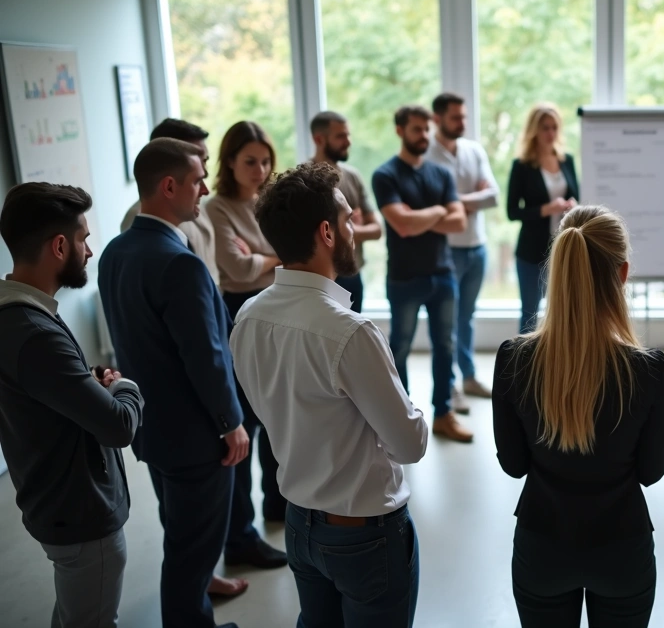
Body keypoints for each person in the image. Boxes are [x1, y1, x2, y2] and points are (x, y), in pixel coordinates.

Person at [230, 162, 429, 626]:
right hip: (365, 537)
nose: (354, 229)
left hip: (300, 526)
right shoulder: (349, 332)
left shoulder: (248, 316)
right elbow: (410, 444)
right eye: (347, 220)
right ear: (326, 232)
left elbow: (271, 411)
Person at [493, 205, 664, 628]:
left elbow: (514, 466)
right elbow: (649, 472)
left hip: (543, 548)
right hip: (622, 551)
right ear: (622, 273)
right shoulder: (647, 368)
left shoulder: (514, 359)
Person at [99, 138, 249, 628]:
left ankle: (198, 603)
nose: (204, 189)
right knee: (191, 550)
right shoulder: (180, 263)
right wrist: (231, 422)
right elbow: (205, 356)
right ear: (169, 186)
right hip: (195, 435)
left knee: (181, 535)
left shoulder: (114, 252)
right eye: (196, 181)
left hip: (151, 427)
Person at [0, 183, 144, 628]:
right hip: (80, 515)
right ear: (59, 246)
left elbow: (56, 395)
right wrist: (124, 385)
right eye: (83, 239)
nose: (90, 250)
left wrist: (90, 386)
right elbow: (119, 426)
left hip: (53, 501)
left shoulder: (18, 312)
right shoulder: (36, 332)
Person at [203, 120, 290, 566]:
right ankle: (243, 534)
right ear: (229, 163)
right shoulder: (216, 207)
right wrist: (275, 258)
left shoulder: (269, 200)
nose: (260, 169)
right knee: (245, 426)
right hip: (239, 319)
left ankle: (279, 502)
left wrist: (262, 259)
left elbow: (291, 256)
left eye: (266, 160)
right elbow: (236, 270)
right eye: (250, 161)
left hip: (276, 319)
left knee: (276, 418)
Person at [373, 104, 472, 443]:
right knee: (399, 347)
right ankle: (402, 419)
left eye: (427, 129)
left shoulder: (441, 174)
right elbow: (401, 224)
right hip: (404, 278)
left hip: (443, 275)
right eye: (417, 129)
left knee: (445, 345)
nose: (424, 136)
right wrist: (439, 210)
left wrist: (420, 218)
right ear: (400, 130)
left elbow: (459, 222)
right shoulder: (385, 175)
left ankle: (443, 414)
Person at [425, 92, 499, 413]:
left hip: (476, 247)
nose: (462, 123)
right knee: (447, 323)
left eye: (463, 116)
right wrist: (472, 197)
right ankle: (450, 386)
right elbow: (431, 207)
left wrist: (455, 202)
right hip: (446, 251)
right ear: (437, 119)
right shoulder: (427, 156)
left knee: (466, 317)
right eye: (455, 117)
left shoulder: (474, 150)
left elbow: (494, 196)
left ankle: (469, 377)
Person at [506, 103, 579, 334]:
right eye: (545, 128)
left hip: (564, 247)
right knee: (529, 312)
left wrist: (572, 207)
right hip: (531, 253)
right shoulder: (521, 166)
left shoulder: (567, 160)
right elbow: (512, 212)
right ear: (534, 131)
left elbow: (577, 195)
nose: (551, 133)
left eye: (554, 127)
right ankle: (524, 366)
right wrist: (545, 209)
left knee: (566, 310)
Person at [120, 118, 220, 284]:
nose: (204, 169)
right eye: (197, 159)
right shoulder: (137, 218)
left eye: (205, 160)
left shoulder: (196, 201)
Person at [309, 111, 381, 313]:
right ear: (319, 139)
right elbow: (307, 235)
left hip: (353, 275)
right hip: (319, 280)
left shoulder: (353, 176)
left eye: (348, 135)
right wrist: (351, 226)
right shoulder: (303, 179)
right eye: (340, 136)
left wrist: (337, 227)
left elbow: (376, 230)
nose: (348, 142)